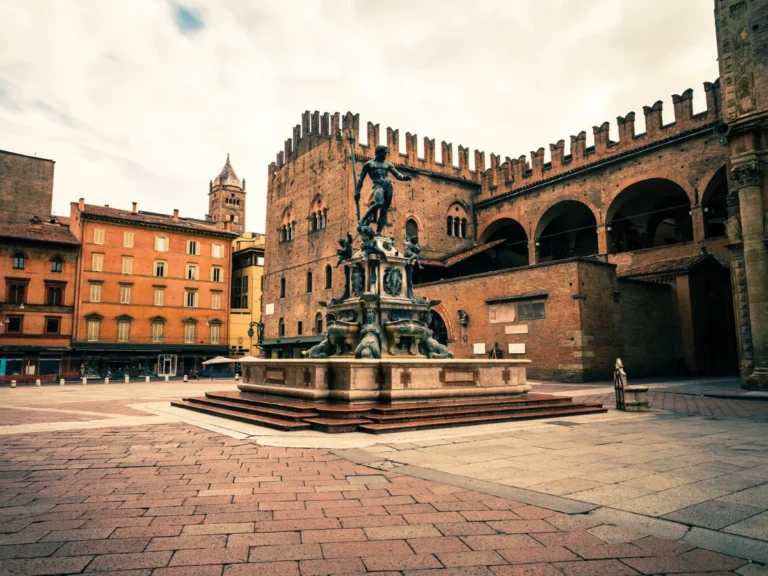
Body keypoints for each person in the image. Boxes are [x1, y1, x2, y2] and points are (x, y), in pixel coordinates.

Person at [355, 145, 412, 234]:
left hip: (388, 186)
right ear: (378, 153)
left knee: (384, 210)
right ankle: (363, 219)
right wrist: (358, 192)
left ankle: (379, 232)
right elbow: (361, 179)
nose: (385, 155)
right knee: (379, 202)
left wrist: (405, 178)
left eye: (386, 153)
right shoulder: (369, 164)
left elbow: (397, 175)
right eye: (384, 153)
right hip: (377, 185)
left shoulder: (388, 164)